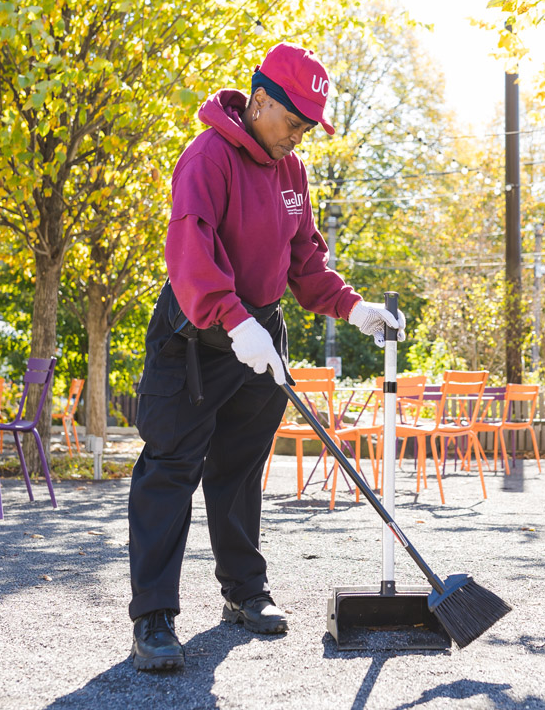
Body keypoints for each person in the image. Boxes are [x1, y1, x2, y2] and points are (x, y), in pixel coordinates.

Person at [128, 42, 406, 672]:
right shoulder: (207, 158)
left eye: (309, 126)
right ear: (258, 102)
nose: (300, 135)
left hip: (260, 334)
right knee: (170, 469)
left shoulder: (293, 172)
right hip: (196, 338)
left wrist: (353, 308)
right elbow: (190, 252)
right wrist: (232, 319)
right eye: (293, 121)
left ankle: (244, 593)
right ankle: (153, 619)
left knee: (240, 470)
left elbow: (306, 261)